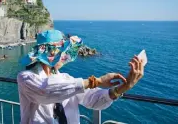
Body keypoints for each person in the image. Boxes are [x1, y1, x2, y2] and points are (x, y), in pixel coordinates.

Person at [17, 30, 145, 124]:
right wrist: (96, 81)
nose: (66, 56)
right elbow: (46, 92)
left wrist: (124, 86)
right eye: (63, 52)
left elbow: (93, 100)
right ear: (51, 53)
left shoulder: (66, 79)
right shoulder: (25, 77)